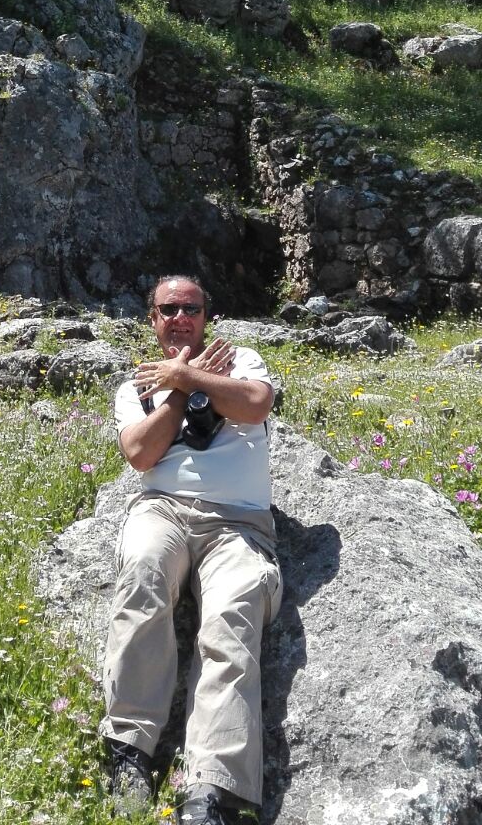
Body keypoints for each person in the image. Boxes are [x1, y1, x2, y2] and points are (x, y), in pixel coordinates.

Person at [100, 275, 282, 825]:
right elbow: (140, 452)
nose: (180, 317)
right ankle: (130, 748)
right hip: (163, 509)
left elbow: (255, 403)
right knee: (142, 574)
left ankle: (213, 789)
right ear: (152, 318)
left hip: (239, 524)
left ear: (208, 316)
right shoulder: (136, 387)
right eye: (168, 309)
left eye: (191, 308)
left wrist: (192, 372)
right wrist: (180, 384)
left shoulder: (241, 358)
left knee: (233, 612)